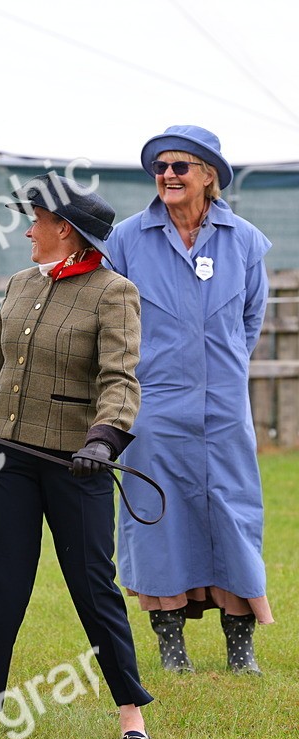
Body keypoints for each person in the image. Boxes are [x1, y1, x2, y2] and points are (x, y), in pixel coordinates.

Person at [0, 172, 154, 739]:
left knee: (93, 586)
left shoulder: (114, 293)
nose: (29, 229)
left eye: (38, 220)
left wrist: (104, 440)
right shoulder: (21, 284)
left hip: (80, 462)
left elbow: (120, 379)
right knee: (3, 583)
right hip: (8, 457)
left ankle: (130, 711)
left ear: (67, 232)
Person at [107, 125, 274, 675]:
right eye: (162, 167)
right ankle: (171, 646)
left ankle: (239, 645)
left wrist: (217, 372)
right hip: (153, 403)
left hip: (224, 407)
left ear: (208, 176)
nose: (169, 175)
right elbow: (114, 319)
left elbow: (250, 320)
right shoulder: (128, 240)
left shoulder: (245, 241)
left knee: (233, 512)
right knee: (157, 515)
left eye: (181, 166)